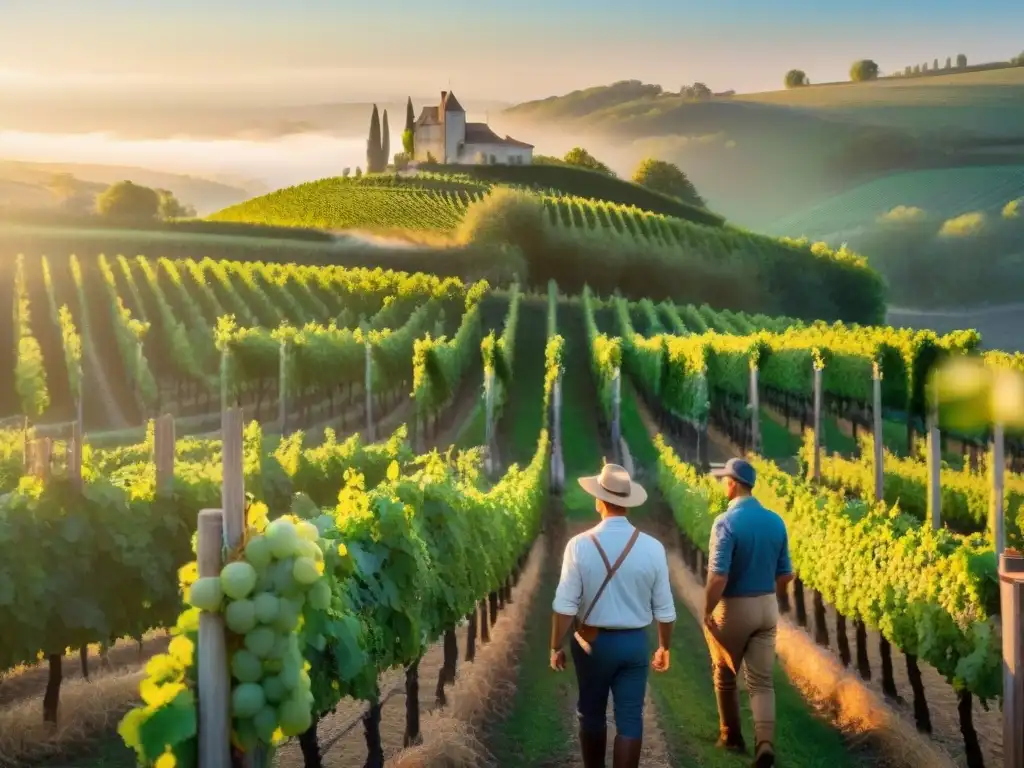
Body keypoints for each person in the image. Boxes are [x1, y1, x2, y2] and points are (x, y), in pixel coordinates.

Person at [549, 463, 676, 768]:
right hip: (633, 645)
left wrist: (555, 646)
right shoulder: (653, 548)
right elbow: (666, 610)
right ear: (627, 502)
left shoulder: (578, 546)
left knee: (591, 713)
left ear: (598, 500)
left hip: (592, 644)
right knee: (631, 718)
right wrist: (663, 646)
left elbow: (564, 607)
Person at [705, 457, 794, 768]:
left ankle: (730, 735)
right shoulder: (775, 521)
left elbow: (718, 576)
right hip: (767, 606)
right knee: (762, 680)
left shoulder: (725, 522)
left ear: (732, 483)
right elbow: (786, 574)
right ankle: (765, 743)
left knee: (725, 672)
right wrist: (775, 597)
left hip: (734, 607)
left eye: (724, 480)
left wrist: (706, 610)